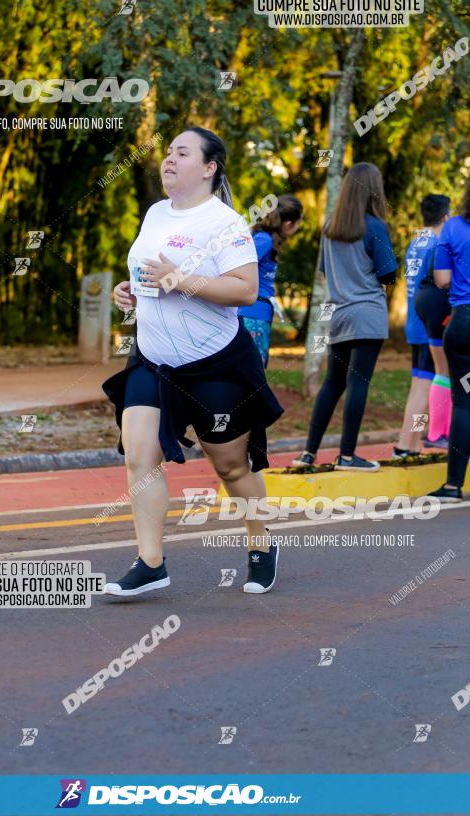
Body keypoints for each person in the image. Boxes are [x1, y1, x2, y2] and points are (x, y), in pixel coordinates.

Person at [102, 126, 284, 596]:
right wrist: (129, 293)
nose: (168, 159)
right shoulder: (156, 213)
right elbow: (150, 278)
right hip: (154, 360)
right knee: (139, 455)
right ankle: (151, 562)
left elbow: (244, 289)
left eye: (181, 152)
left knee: (231, 467)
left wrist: (181, 278)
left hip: (215, 363)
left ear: (209, 168)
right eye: (167, 152)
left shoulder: (225, 223)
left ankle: (261, 542)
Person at [292, 162, 398, 472]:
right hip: (367, 312)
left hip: (337, 314)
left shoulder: (329, 227)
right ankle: (348, 456)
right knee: (358, 382)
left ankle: (309, 452)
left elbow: (325, 271)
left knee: (332, 383)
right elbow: (387, 272)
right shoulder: (375, 227)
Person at [394, 195, 451, 459]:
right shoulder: (439, 243)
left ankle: (410, 443)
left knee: (419, 383)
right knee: (428, 384)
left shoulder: (415, 242)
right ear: (445, 216)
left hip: (414, 321)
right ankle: (408, 444)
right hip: (429, 323)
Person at [428, 181, 470, 502]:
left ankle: (454, 484)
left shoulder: (452, 227)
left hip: (463, 323)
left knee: (464, 401)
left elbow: (441, 279)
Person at [239, 195, 304, 368]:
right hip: (252, 314)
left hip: (258, 313)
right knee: (252, 372)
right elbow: (239, 266)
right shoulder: (264, 240)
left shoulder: (268, 239)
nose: (297, 228)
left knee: (253, 371)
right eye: (298, 223)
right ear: (289, 224)